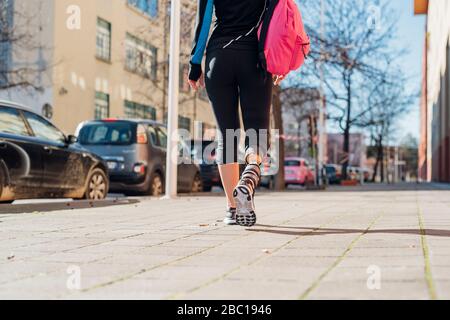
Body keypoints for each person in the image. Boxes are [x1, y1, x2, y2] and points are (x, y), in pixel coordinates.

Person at [188, 0, 283, 227]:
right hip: (255, 58)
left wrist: (194, 64)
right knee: (257, 131)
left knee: (227, 134)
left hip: (218, 57)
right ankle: (249, 176)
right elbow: (278, 18)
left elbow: (203, 24)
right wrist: (278, 62)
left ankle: (232, 208)